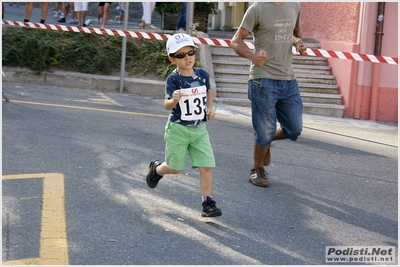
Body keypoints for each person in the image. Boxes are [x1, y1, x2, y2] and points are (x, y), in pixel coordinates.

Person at [231, 2, 308, 187]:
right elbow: (236, 40)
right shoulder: (257, 8)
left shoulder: (295, 6)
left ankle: (264, 141)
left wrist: (299, 42)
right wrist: (252, 57)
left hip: (288, 80)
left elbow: (294, 32)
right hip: (262, 79)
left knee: (294, 129)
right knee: (264, 131)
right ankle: (257, 169)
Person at [146, 33, 222, 218]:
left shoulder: (202, 74)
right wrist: (173, 100)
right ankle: (156, 170)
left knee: (206, 166)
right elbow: (166, 105)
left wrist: (209, 109)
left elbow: (209, 92)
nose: (187, 58)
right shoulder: (174, 79)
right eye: (181, 55)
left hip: (199, 130)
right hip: (178, 129)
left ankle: (207, 202)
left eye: (190, 52)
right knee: (175, 168)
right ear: (172, 58)